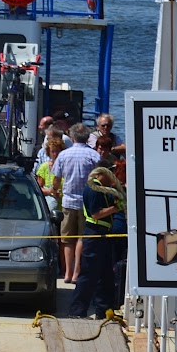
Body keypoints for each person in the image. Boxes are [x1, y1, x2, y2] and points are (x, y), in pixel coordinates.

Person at [71, 166, 125, 319]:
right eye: (110, 174)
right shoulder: (93, 189)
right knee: (88, 274)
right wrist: (115, 208)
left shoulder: (103, 190)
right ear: (101, 174)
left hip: (104, 235)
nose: (112, 178)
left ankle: (104, 309)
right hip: (94, 234)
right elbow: (96, 214)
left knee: (106, 274)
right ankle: (77, 311)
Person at [51, 123, 101, 285]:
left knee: (67, 239)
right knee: (81, 238)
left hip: (68, 201)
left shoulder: (64, 155)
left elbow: (56, 179)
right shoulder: (94, 155)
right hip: (87, 203)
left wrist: (55, 190)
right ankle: (77, 271)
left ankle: (68, 272)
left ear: (72, 137)